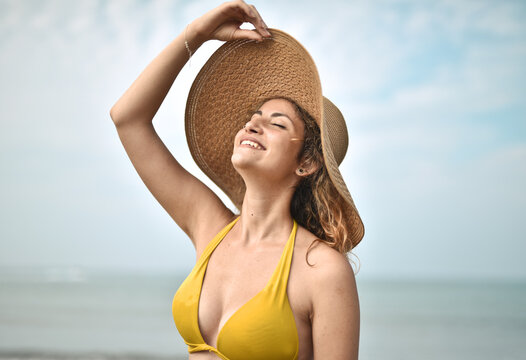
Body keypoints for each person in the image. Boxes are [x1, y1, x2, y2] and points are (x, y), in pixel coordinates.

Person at [109, 1, 364, 359]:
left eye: (277, 124)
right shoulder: (209, 226)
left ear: (306, 162)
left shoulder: (322, 271)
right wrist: (195, 35)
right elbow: (127, 118)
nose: (253, 124)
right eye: (254, 116)